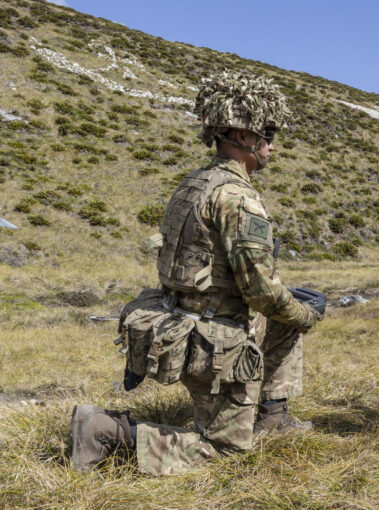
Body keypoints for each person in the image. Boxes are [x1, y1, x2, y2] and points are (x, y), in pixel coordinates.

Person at [70, 70, 321, 475]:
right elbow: (260, 293)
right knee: (225, 450)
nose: (273, 146)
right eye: (268, 135)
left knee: (283, 323)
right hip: (213, 341)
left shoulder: (195, 182)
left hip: (186, 321)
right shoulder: (237, 197)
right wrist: (306, 315)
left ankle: (272, 417)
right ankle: (104, 431)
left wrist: (289, 312)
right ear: (243, 136)